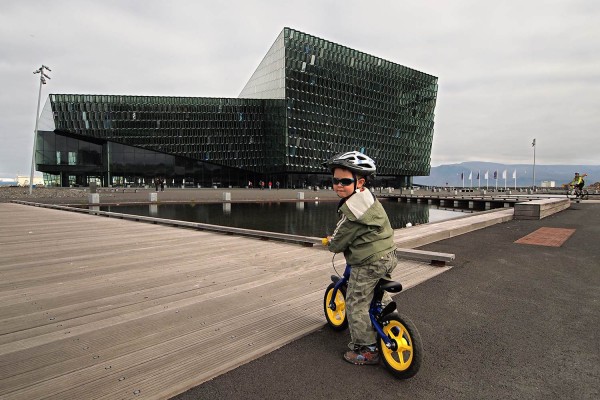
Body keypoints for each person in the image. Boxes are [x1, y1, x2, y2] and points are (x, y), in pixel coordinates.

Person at [323, 151, 397, 365]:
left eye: (345, 181)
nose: (338, 185)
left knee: (355, 302)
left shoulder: (353, 211)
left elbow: (339, 240)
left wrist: (331, 242)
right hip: (388, 254)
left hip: (369, 262)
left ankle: (367, 349)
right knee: (376, 293)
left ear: (360, 182)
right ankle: (388, 318)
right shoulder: (368, 199)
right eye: (335, 180)